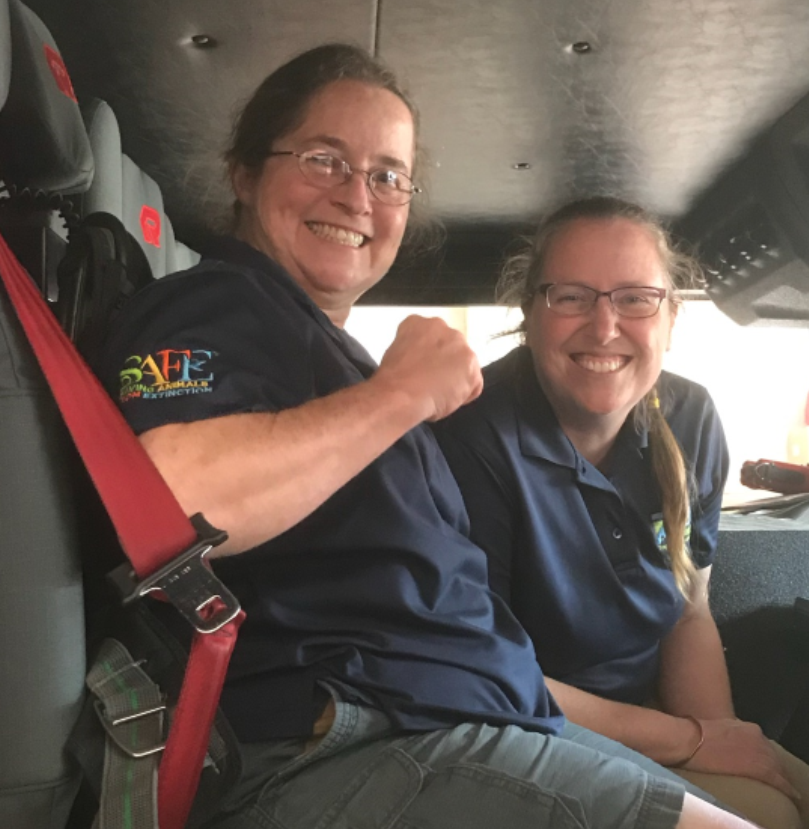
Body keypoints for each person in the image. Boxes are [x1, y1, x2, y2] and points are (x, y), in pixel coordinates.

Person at [95, 48, 755, 829]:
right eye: (321, 159)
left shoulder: (322, 354)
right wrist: (399, 393)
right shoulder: (210, 307)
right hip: (344, 741)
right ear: (243, 172)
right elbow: (171, 500)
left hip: (461, 720)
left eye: (387, 176)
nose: (355, 197)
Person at [433, 196, 809, 829]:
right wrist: (688, 741)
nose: (604, 327)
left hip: (654, 719)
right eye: (573, 296)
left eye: (635, 297)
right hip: (523, 730)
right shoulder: (470, 438)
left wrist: (721, 738)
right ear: (531, 311)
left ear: (670, 316)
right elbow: (483, 674)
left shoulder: (690, 417)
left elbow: (687, 610)